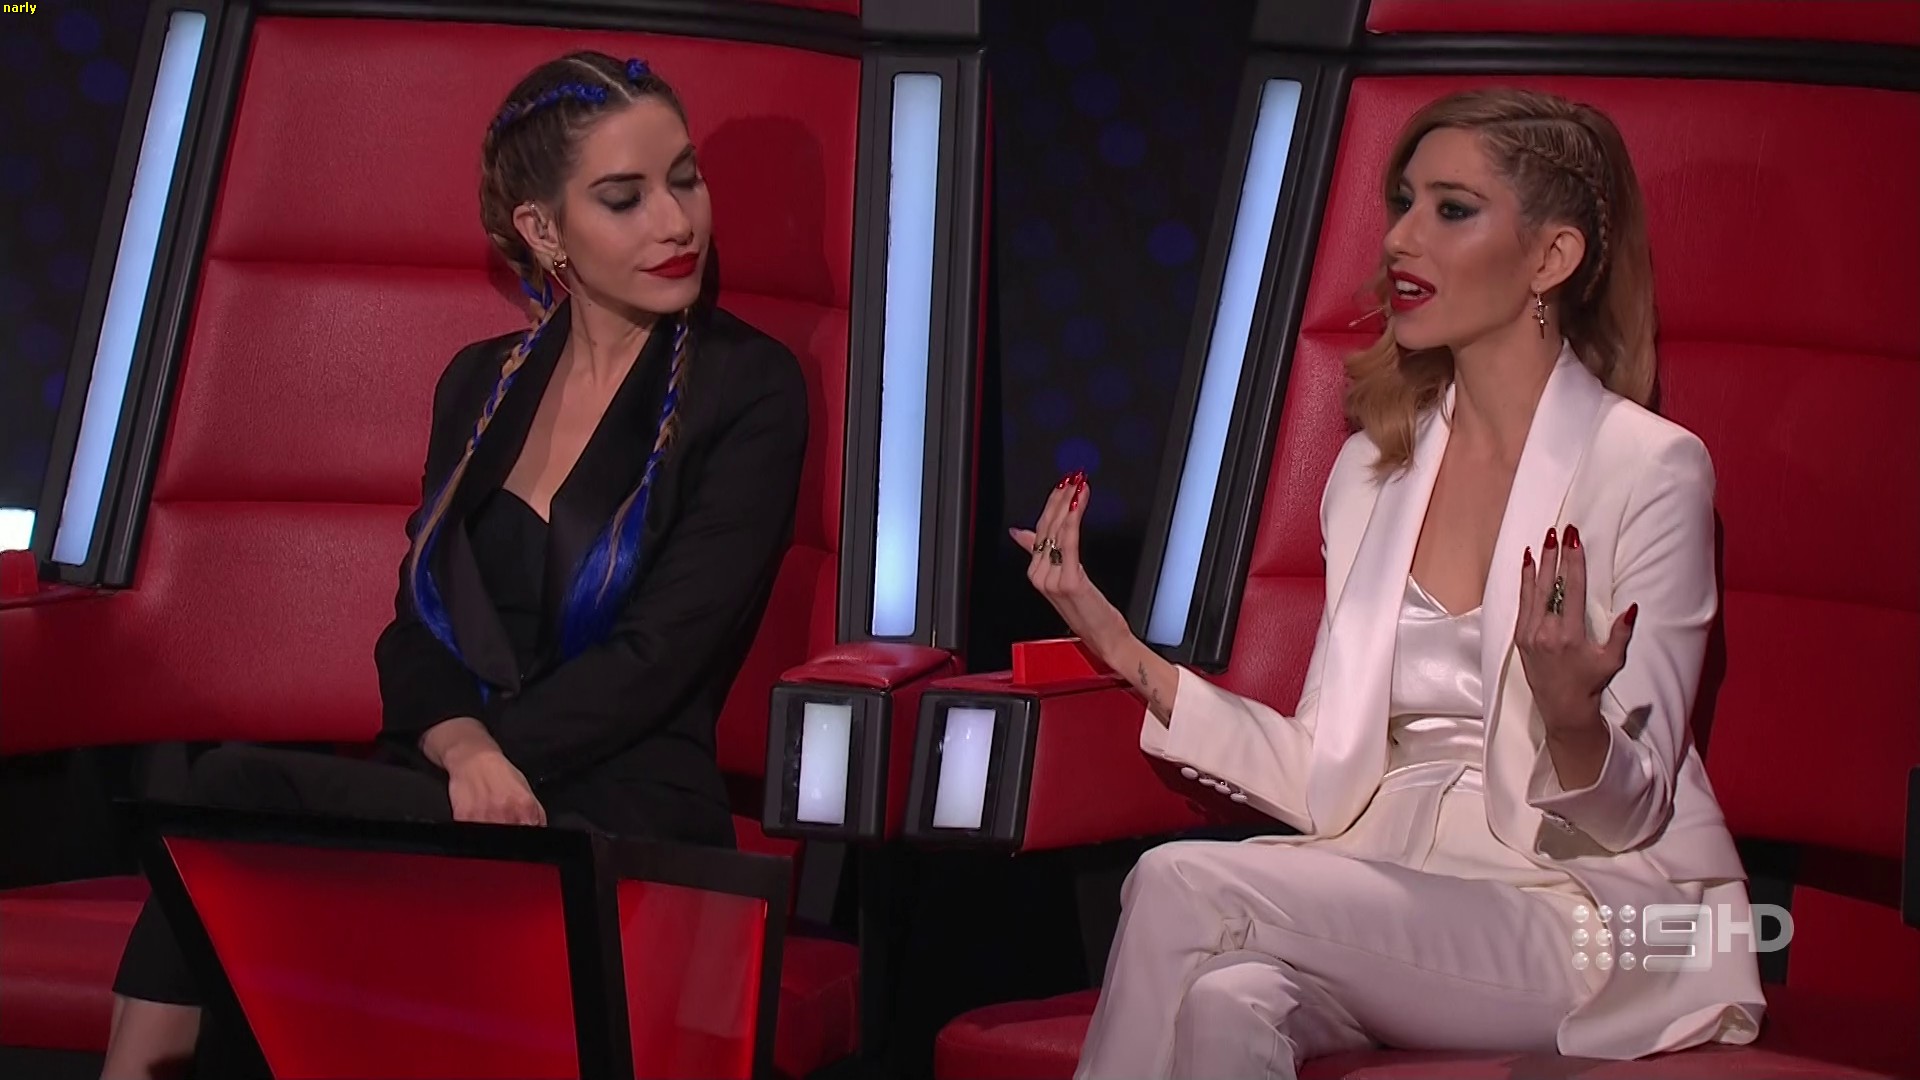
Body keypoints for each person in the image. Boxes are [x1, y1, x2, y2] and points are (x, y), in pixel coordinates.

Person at [1012, 88, 1765, 1078]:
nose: (1402, 238)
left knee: (1180, 883)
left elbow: (1633, 809)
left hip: (1576, 914)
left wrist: (1571, 714)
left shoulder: (1651, 469)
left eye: (1452, 209)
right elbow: (1322, 765)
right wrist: (1119, 648)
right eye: (1404, 202)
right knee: (1227, 1004)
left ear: (1552, 257)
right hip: (1379, 882)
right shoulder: (1373, 472)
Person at [101, 52, 808, 1079]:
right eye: (625, 198)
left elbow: (661, 657)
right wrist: (464, 749)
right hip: (463, 787)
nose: (676, 222)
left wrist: (487, 758)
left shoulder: (751, 389)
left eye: (685, 180)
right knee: (232, 825)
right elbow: (417, 628)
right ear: (543, 230)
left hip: (628, 808)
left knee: (236, 790)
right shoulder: (478, 384)